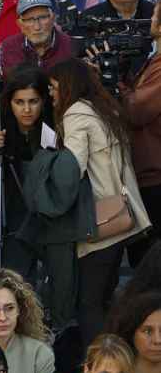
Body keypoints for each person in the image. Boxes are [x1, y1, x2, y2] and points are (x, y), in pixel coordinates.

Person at [52, 58, 152, 341]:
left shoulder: (75, 114)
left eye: (54, 87)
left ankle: (95, 371)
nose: (52, 93)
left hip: (98, 221)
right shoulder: (103, 108)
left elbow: (73, 168)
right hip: (121, 215)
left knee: (89, 304)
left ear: (68, 85)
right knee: (104, 299)